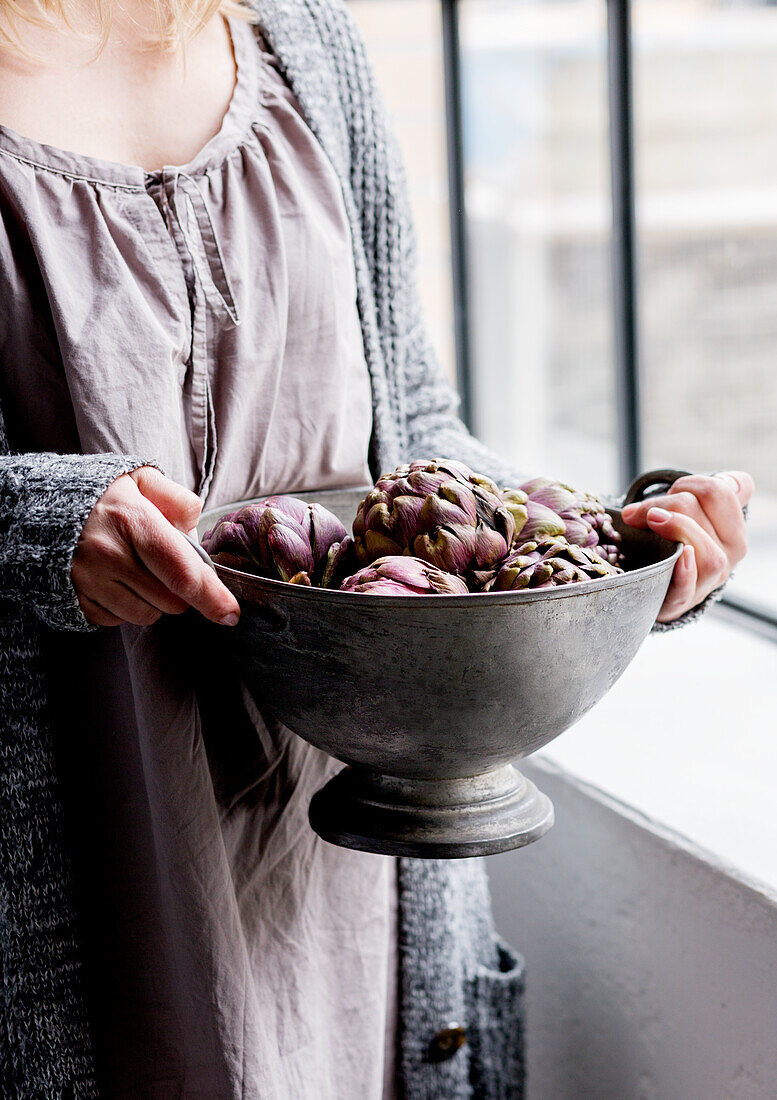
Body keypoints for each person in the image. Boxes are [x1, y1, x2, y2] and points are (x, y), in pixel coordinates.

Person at [0, 0, 752, 1095]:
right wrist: (39, 525)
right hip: (106, 846)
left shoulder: (304, 41)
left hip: (359, 863)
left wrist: (612, 549)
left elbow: (410, 429)